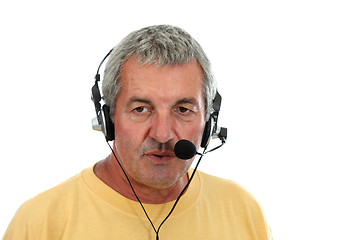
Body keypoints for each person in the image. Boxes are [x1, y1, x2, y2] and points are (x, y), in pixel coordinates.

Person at [3, 25, 273, 240]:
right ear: (109, 119)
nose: (163, 134)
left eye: (182, 109)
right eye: (142, 109)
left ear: (209, 123)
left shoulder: (244, 210)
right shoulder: (40, 223)